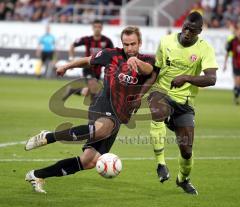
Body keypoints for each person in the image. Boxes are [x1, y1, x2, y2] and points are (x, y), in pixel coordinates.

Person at [24, 26, 158, 193]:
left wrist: (136, 62)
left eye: (133, 44)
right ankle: (49, 136)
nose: (129, 48)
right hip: (103, 103)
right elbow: (87, 60)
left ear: (140, 43)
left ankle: (37, 175)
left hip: (121, 115)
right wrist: (66, 66)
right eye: (126, 44)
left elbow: (150, 70)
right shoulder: (111, 54)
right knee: (102, 129)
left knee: (89, 161)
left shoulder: (148, 60)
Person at [147, 11, 218, 195]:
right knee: (157, 109)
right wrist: (140, 93)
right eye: (185, 27)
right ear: (182, 24)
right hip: (161, 91)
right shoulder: (166, 41)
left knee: (186, 151)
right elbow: (156, 70)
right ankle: (160, 164)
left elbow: (211, 79)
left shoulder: (205, 49)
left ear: (199, 31)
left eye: (192, 30)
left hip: (184, 102)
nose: (187, 32)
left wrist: (186, 77)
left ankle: (182, 179)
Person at [63, 19, 114, 101]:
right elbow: (72, 45)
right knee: (94, 88)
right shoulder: (87, 39)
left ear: (102, 28)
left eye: (99, 27)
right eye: (95, 27)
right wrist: (71, 59)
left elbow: (113, 54)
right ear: (92, 28)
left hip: (98, 70)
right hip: (87, 68)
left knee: (88, 92)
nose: (97, 29)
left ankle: (72, 90)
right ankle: (94, 109)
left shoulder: (107, 41)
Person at [223, 26, 240, 105]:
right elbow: (227, 53)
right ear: (236, 32)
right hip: (236, 64)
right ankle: (236, 96)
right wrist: (225, 64)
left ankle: (236, 95)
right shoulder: (233, 41)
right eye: (238, 31)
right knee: (237, 81)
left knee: (238, 83)